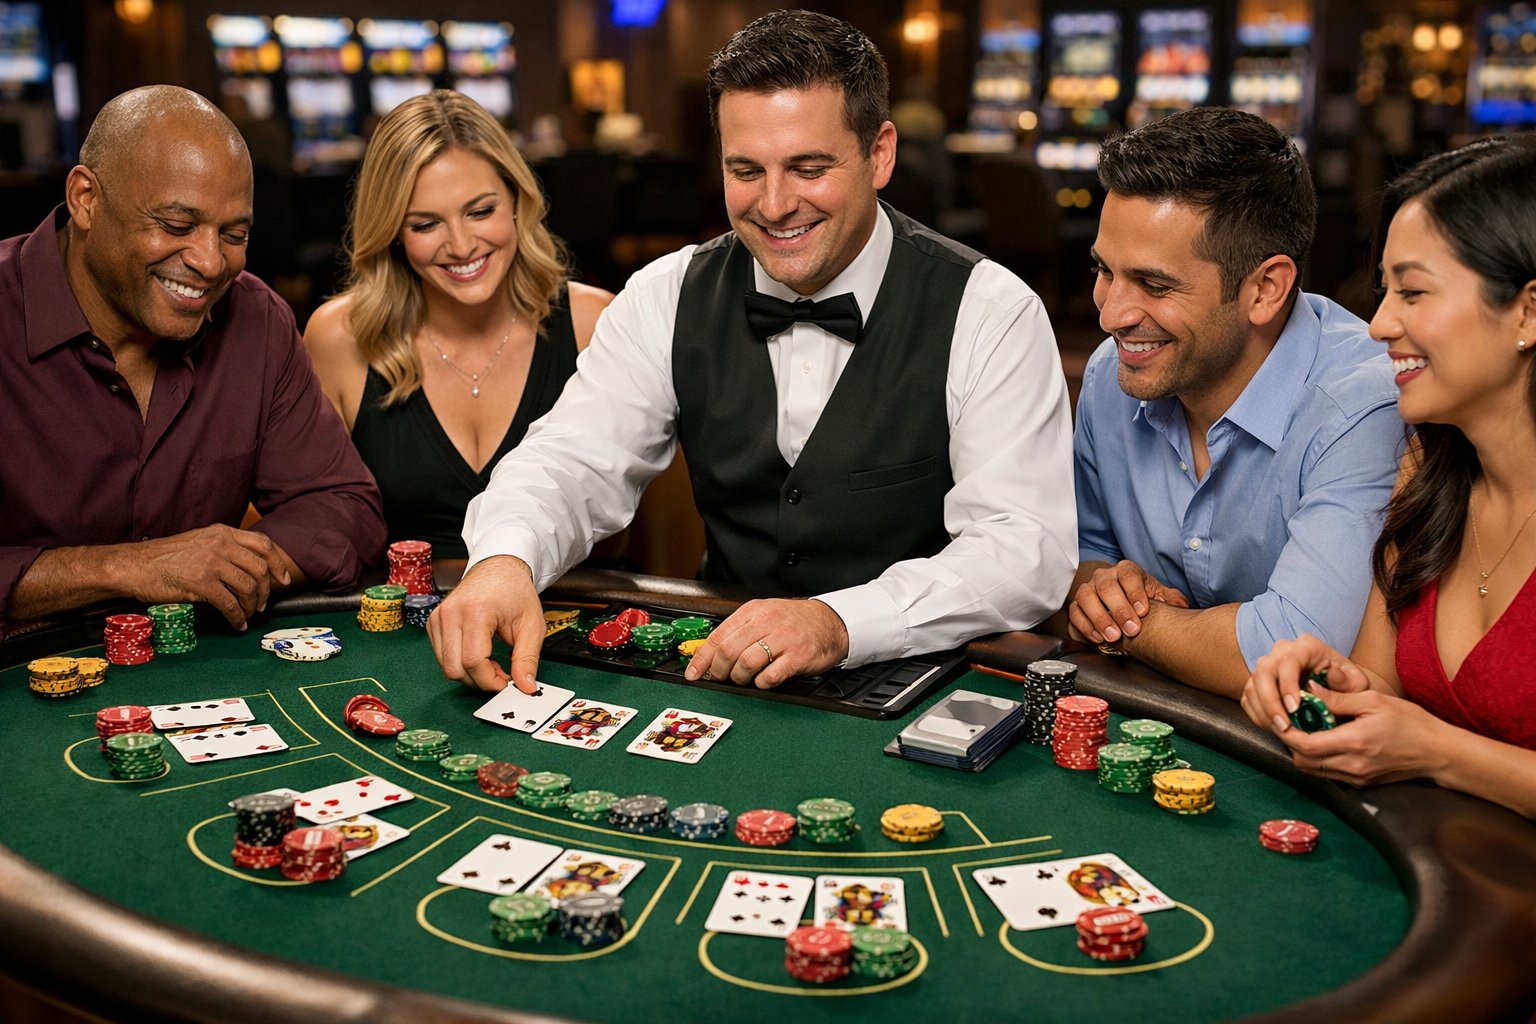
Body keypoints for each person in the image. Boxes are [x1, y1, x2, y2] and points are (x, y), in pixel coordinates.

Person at [429, 10, 1076, 694]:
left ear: (879, 153)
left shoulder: (990, 310)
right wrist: (504, 558)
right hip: (724, 674)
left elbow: (1022, 552)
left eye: (808, 167)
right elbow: (571, 458)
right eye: (746, 170)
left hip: (920, 683)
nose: (774, 205)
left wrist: (838, 621)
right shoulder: (665, 294)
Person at [0, 85, 385, 639]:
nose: (209, 263)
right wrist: (131, 567)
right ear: (86, 198)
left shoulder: (257, 319)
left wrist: (223, 570)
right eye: (177, 226)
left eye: (234, 234)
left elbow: (343, 508)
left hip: (197, 669)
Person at [1060, 106, 1402, 697]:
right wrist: (1099, 588)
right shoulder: (1109, 375)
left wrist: (1134, 628)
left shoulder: (1362, 405)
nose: (1111, 313)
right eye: (1104, 271)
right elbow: (1082, 556)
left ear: (1265, 288)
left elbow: (1291, 653)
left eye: (1154, 284)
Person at [1243, 137, 1536, 819]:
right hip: (1433, 873)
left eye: (1412, 291)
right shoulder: (1426, 469)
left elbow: (1425, 742)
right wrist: (1321, 685)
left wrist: (1441, 751)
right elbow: (1382, 691)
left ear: (1527, 310)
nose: (1378, 325)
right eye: (1383, 291)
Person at [303, 90, 614, 559]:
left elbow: (642, 521)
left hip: (575, 609)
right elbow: (318, 524)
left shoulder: (596, 322)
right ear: (392, 233)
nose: (462, 244)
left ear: (516, 199)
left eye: (480, 211)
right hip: (403, 621)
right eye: (425, 224)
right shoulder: (339, 337)